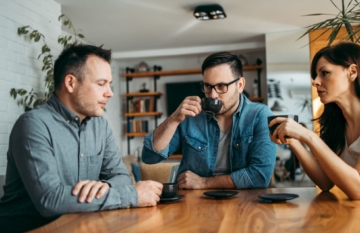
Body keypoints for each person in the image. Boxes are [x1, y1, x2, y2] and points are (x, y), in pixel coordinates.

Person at [0, 44, 162, 233]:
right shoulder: (32, 125)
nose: (109, 92)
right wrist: (131, 195)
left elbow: (122, 177)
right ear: (71, 83)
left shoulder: (99, 126)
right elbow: (49, 200)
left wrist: (105, 187)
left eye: (109, 84)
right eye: (101, 83)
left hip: (80, 231)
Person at [142, 52, 276, 189]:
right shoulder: (191, 116)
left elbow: (260, 177)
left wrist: (204, 183)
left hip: (244, 202)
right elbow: (150, 157)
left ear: (240, 85)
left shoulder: (259, 115)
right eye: (208, 86)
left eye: (221, 86)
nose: (212, 95)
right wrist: (174, 119)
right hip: (193, 202)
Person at [268, 41, 360, 199]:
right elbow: (325, 182)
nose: (315, 81)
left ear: (352, 72)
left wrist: (308, 136)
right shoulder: (337, 124)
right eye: (315, 76)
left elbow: (358, 189)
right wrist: (293, 141)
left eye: (324, 73)